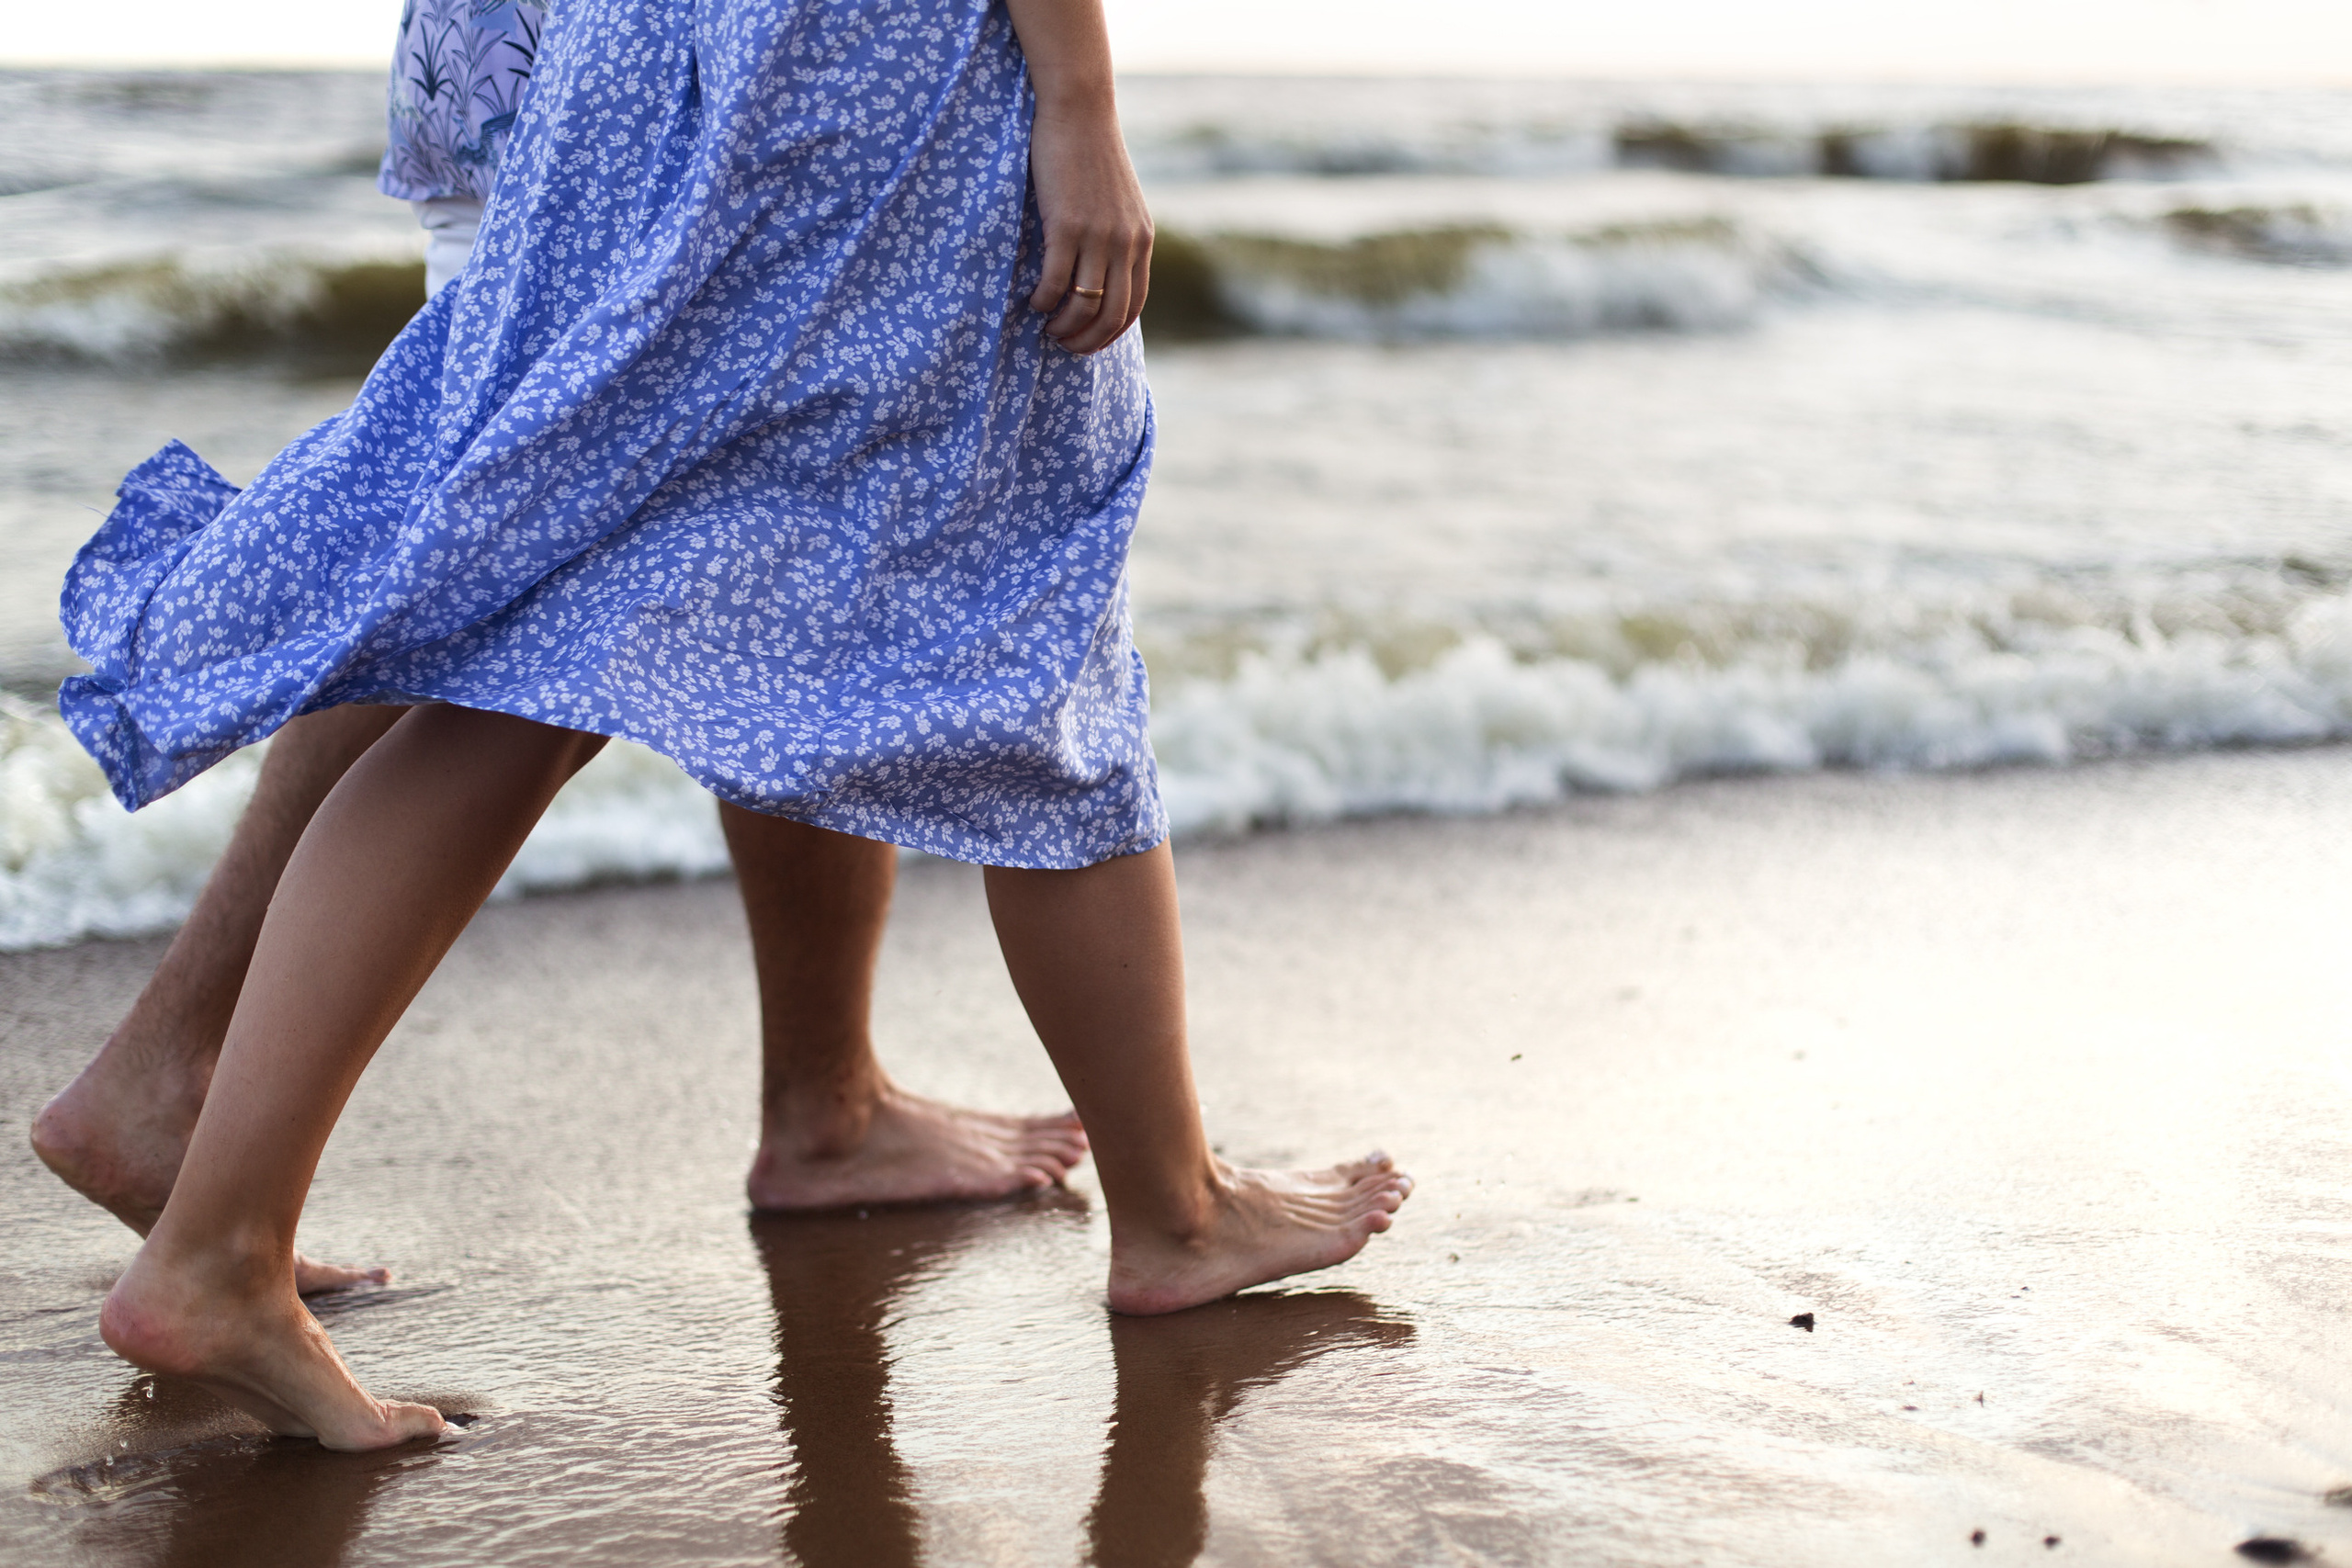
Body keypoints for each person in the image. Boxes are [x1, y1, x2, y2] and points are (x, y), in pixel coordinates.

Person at [56, 0, 1412, 1450]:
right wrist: (1079, 95)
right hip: (851, 62)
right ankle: (1174, 1209)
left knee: (537, 617)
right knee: (1013, 598)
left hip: (623, 58)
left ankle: (222, 1228)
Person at [29, 0, 1094, 1288]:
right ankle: (176, 1098)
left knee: (754, 558)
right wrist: (1080, 103)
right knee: (530, 610)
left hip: (536, 66)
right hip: (654, 95)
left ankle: (829, 1101)